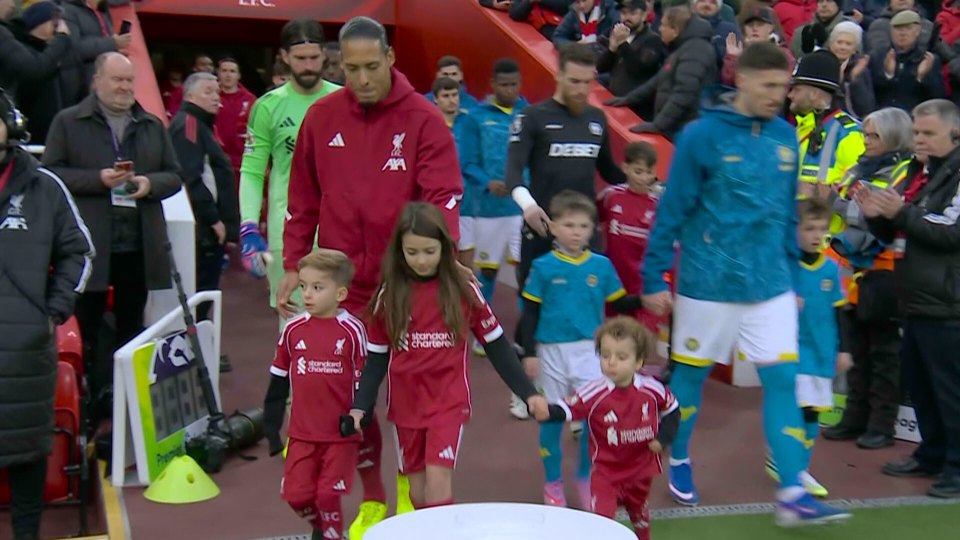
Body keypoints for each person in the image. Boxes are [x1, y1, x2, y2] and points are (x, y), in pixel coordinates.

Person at [640, 42, 850, 524]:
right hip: (706, 285)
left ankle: (794, 492)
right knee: (689, 378)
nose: (780, 95)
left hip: (770, 286)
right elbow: (672, 211)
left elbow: (783, 217)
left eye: (785, 86)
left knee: (782, 381)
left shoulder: (783, 138)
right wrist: (653, 275)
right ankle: (679, 457)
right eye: (770, 85)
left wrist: (794, 276)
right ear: (743, 81)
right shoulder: (700, 136)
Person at [279, 15, 463, 525]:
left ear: (390, 59)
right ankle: (374, 494)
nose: (362, 79)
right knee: (345, 396)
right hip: (344, 288)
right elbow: (302, 200)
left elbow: (442, 202)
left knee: (408, 394)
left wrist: (440, 269)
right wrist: (294, 263)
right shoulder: (321, 118)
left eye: (371, 66)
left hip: (405, 287)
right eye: (352, 68)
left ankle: (408, 488)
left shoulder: (424, 120)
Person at [349, 203, 548, 509]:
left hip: (447, 403)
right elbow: (375, 359)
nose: (421, 260)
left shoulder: (463, 290)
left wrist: (528, 393)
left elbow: (496, 346)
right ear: (399, 251)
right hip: (405, 406)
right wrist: (360, 407)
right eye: (411, 252)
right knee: (417, 494)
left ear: (444, 247)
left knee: (438, 485)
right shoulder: (389, 296)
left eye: (429, 251)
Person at [42, 52, 182, 425]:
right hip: (87, 249)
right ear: (96, 81)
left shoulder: (151, 125)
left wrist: (150, 184)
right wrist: (97, 181)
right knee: (83, 330)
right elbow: (50, 174)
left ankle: (127, 409)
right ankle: (82, 406)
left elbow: (174, 175)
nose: (124, 88)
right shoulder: (68, 122)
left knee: (132, 328)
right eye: (116, 80)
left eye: (128, 81)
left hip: (138, 246)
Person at [0, 90, 94, 540]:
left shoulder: (43, 186)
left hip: (25, 351)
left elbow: (80, 251)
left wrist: (54, 310)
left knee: (27, 452)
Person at [858, 99, 960, 499]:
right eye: (916, 132)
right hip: (918, 299)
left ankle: (956, 466)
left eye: (928, 133)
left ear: (955, 134)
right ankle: (932, 453)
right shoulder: (923, 172)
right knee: (921, 385)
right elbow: (903, 231)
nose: (919, 139)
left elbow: (951, 232)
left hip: (947, 302)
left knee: (950, 391)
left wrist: (899, 212)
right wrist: (876, 215)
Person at [518, 191, 642, 508]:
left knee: (594, 419)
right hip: (551, 353)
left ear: (592, 229)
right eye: (569, 224)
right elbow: (529, 313)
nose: (576, 231)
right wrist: (529, 353)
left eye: (584, 225)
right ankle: (553, 484)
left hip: (591, 355)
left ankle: (586, 477)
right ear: (554, 228)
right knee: (551, 418)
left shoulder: (601, 267)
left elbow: (621, 303)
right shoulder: (543, 267)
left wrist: (648, 299)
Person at [822, 107, 913, 450]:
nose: (866, 141)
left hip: (885, 269)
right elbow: (852, 205)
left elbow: (858, 209)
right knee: (857, 349)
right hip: (855, 270)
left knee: (884, 353)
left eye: (874, 135)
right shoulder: (861, 165)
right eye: (866, 134)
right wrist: (847, 205)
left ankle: (881, 425)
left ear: (893, 136)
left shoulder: (903, 170)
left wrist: (840, 203)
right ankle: (854, 418)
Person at [262, 250, 368, 540]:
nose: (307, 294)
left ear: (340, 293)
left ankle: (332, 534)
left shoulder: (352, 330)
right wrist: (271, 426)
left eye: (317, 288)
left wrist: (360, 415)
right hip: (302, 434)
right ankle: (321, 527)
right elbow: (279, 377)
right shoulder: (293, 329)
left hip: (338, 435)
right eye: (304, 286)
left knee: (327, 495)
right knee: (296, 496)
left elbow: (364, 379)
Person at [238, 19, 340, 318]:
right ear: (284, 57)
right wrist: (248, 225)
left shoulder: (343, 101)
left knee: (343, 327)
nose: (308, 66)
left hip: (340, 232)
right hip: (288, 235)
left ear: (324, 54)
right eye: (300, 59)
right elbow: (253, 171)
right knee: (294, 327)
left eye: (313, 57)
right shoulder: (268, 106)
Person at [544, 316, 680, 540]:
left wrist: (663, 439)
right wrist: (543, 410)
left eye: (621, 357)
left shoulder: (652, 390)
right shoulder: (594, 392)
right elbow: (567, 408)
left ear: (638, 362)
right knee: (602, 525)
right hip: (606, 474)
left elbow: (673, 410)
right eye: (605, 355)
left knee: (640, 517)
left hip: (640, 471)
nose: (611, 362)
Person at [507, 42, 625, 295]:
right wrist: (528, 207)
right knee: (534, 314)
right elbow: (513, 173)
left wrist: (650, 184)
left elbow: (609, 171)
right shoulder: (532, 117)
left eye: (587, 82)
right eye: (574, 81)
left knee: (587, 305)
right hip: (543, 228)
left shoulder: (597, 119)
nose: (582, 90)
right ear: (557, 75)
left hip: (585, 234)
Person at [765, 198, 851, 498]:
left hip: (823, 354)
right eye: (809, 228)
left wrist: (844, 350)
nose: (816, 235)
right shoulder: (785, 268)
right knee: (798, 409)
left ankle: (795, 465)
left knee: (813, 414)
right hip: (793, 353)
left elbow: (840, 311)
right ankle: (792, 468)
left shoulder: (830, 268)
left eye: (821, 229)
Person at [169, 72, 240, 323]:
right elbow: (191, 176)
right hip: (202, 231)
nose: (216, 98)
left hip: (207, 230)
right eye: (208, 92)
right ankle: (196, 348)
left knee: (206, 293)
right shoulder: (189, 125)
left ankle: (202, 344)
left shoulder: (202, 126)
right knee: (200, 292)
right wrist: (214, 220)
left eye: (217, 92)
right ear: (190, 95)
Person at [464, 58, 528, 314]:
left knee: (526, 271)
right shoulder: (476, 118)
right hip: (488, 209)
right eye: (503, 85)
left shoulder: (529, 114)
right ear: (492, 84)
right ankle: (485, 328)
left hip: (523, 207)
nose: (509, 90)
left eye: (514, 84)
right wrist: (487, 182)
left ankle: (526, 335)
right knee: (488, 272)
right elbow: (467, 162)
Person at [605, 6, 718, 139]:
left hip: (683, 132)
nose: (659, 29)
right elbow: (657, 81)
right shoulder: (683, 48)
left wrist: (658, 125)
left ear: (675, 30)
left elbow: (684, 93)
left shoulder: (696, 51)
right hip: (674, 128)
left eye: (663, 25)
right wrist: (627, 99)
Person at [597, 141, 664, 336]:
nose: (644, 178)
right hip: (615, 281)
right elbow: (592, 223)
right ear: (625, 168)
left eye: (649, 172)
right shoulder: (611, 197)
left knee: (642, 340)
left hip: (645, 284)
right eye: (638, 171)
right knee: (613, 336)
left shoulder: (659, 207)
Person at [788, 50, 864, 198]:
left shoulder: (849, 135)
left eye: (796, 89)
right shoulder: (799, 130)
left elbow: (858, 195)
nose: (790, 95)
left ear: (814, 94)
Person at [431, 76, 483, 270]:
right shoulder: (430, 125)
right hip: (437, 202)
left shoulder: (469, 124)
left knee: (467, 259)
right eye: (445, 96)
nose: (451, 100)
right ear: (435, 98)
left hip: (467, 203)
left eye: (454, 95)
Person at [214, 57, 256, 185]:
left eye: (232, 71)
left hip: (242, 163)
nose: (228, 75)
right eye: (224, 70)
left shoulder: (250, 100)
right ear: (218, 73)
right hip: (216, 161)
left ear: (238, 75)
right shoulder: (210, 97)